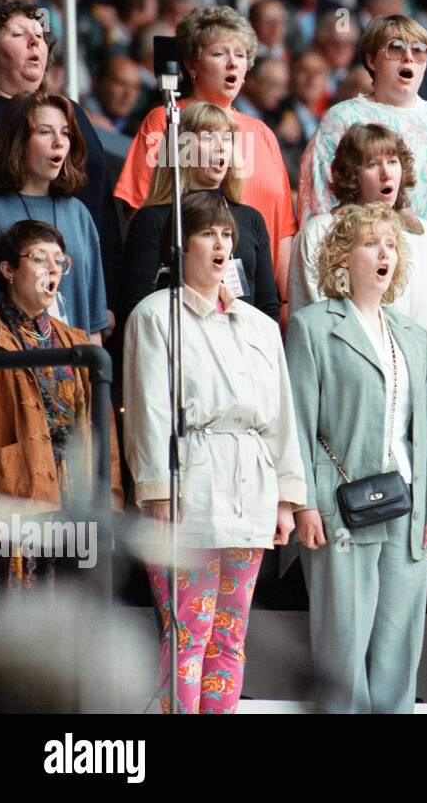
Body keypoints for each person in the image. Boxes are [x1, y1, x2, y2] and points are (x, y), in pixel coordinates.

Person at [123, 191, 305, 713]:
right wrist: (157, 494)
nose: (221, 244)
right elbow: (148, 409)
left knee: (230, 638)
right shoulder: (156, 316)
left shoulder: (261, 325)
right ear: (181, 246)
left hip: (251, 486)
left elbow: (282, 416)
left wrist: (286, 499)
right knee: (188, 636)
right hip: (189, 487)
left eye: (227, 234)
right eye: (207, 233)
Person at [286, 203, 427, 714]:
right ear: (342, 257)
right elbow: (296, 424)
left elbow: (423, 432)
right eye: (370, 243)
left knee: (399, 651)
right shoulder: (312, 326)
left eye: (391, 245)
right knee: (342, 649)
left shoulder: (414, 336)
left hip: (407, 510)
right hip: (340, 509)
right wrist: (305, 506)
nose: (385, 253)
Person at [298, 14, 427, 311]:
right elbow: (318, 208)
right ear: (372, 59)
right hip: (367, 289)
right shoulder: (343, 119)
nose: (409, 57)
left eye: (420, 50)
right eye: (396, 48)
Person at [113, 6, 298, 308]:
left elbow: (282, 232)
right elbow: (143, 217)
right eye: (219, 54)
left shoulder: (262, 133)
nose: (232, 64)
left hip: (257, 303)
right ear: (191, 64)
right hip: (188, 301)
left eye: (240, 55)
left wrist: (287, 302)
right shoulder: (168, 121)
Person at [0, 220, 121, 588]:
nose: (52, 269)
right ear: (8, 270)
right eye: (38, 259)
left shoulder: (76, 341)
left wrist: (110, 509)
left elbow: (105, 439)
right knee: (16, 620)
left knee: (75, 618)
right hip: (16, 499)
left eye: (59, 261)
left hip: (75, 501)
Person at [291, 124, 427, 409]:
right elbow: (313, 326)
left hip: (419, 402)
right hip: (348, 401)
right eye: (372, 164)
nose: (386, 173)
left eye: (393, 162)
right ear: (353, 175)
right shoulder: (320, 234)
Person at [0, 0, 122, 321]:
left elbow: (100, 209)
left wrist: (107, 295)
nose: (35, 41)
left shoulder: (71, 112)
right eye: (18, 34)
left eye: (39, 35)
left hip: (78, 286)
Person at [121, 101, 280, 323]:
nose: (221, 146)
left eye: (226, 138)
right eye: (208, 137)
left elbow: (267, 307)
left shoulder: (251, 219)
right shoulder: (154, 219)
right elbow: (135, 309)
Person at [0, 91, 109, 342]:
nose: (59, 142)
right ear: (18, 140)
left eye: (65, 133)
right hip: (11, 370)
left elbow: (94, 320)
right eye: (45, 132)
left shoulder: (78, 213)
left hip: (74, 370)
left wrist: (96, 379)